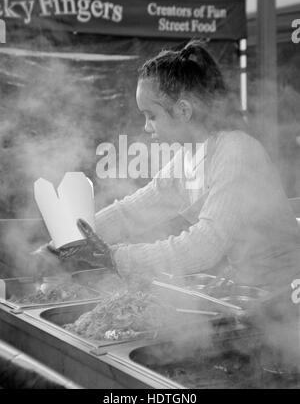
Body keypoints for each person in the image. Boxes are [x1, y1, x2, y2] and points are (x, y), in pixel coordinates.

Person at [31, 41, 300, 291]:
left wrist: (114, 258)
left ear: (183, 110)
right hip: (247, 286)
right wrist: (62, 245)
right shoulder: (188, 157)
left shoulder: (237, 152)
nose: (146, 127)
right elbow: (130, 212)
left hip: (284, 290)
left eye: (151, 116)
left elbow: (205, 245)